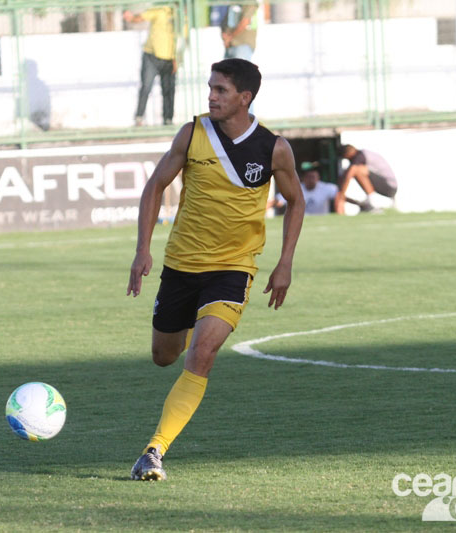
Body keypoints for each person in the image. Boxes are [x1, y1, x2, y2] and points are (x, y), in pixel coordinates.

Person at [126, 58, 305, 481]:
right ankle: (193, 322)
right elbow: (156, 186)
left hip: (233, 269)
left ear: (244, 97)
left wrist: (285, 263)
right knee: (163, 356)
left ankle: (154, 451)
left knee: (201, 355)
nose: (211, 96)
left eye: (220, 90)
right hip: (181, 266)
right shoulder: (192, 133)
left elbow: (296, 200)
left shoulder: (274, 148)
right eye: (210, 88)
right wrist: (142, 249)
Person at [124, 6, 178, 126]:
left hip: (170, 58)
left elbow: (182, 41)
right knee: (146, 87)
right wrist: (131, 18)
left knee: (168, 89)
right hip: (151, 56)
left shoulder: (182, 17)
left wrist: (178, 59)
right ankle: (139, 117)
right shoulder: (161, 9)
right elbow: (141, 17)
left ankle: (168, 119)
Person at [335, 144, 397, 214]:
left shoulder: (361, 156)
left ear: (348, 153)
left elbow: (350, 173)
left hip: (389, 186)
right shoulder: (361, 155)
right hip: (384, 185)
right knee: (352, 170)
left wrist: (341, 194)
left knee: (357, 170)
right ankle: (369, 202)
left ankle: (373, 204)